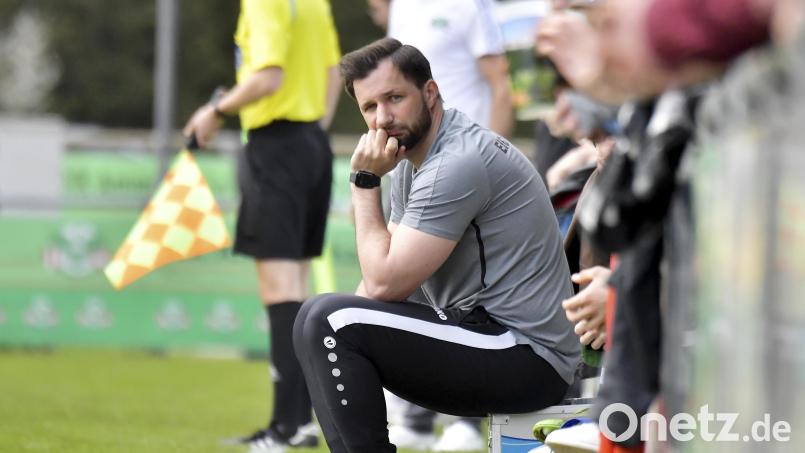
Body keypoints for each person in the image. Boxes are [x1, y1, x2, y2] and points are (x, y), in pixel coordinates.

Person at [291, 37, 579, 453]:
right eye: (370, 108)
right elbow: (381, 284)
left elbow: (386, 284)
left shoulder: (456, 162)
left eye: (394, 98)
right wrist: (325, 346)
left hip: (527, 355)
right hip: (490, 338)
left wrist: (364, 183)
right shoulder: (415, 161)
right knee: (317, 319)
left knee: (328, 321)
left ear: (430, 92)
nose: (383, 118)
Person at [182, 0, 341, 451]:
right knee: (297, 286)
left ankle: (285, 426)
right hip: (312, 143)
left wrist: (215, 110)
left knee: (281, 289)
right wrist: (313, 131)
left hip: (277, 145)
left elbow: (268, 76)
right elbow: (333, 74)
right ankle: (300, 422)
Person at [374, 1, 514, 448]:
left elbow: (501, 84)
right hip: (414, 163)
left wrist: (495, 160)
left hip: (465, 162)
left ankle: (467, 420)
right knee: (414, 283)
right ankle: (415, 416)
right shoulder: (401, 10)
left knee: (464, 288)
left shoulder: (469, 7)